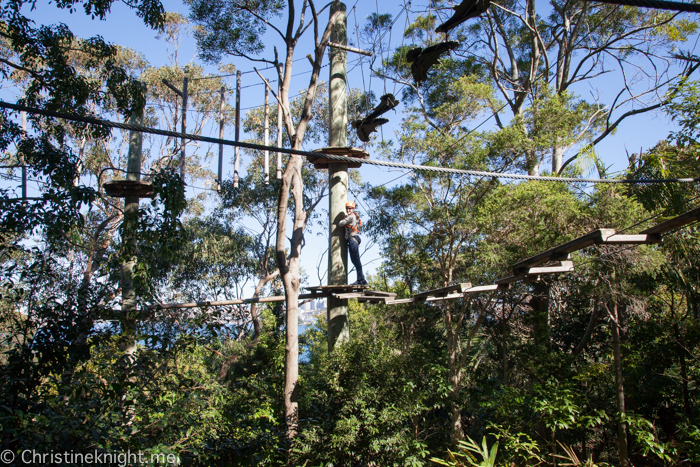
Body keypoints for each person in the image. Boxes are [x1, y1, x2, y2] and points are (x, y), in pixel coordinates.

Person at [338, 200, 367, 286]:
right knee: (355, 260)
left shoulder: (351, 217)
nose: (348, 210)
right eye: (347, 208)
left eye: (350, 208)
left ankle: (361, 279)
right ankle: (361, 279)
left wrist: (343, 217)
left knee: (356, 260)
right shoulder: (354, 216)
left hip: (352, 239)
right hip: (354, 239)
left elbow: (340, 223)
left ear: (353, 209)